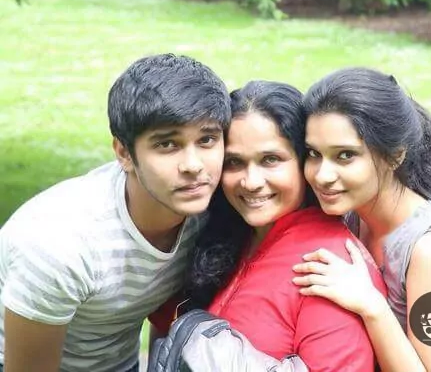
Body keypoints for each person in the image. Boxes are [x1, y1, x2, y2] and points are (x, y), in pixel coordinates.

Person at [0, 54, 230, 372]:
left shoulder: (209, 206)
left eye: (207, 140)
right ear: (124, 153)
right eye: (167, 145)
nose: (193, 166)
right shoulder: (60, 242)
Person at [292, 67, 431, 371]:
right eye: (314, 153)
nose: (322, 175)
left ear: (395, 155)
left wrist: (371, 304)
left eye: (346, 155)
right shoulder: (352, 215)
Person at [186, 80, 387, 372]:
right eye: (234, 162)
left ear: (305, 162)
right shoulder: (231, 235)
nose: (250, 182)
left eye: (271, 160)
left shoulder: (327, 266)